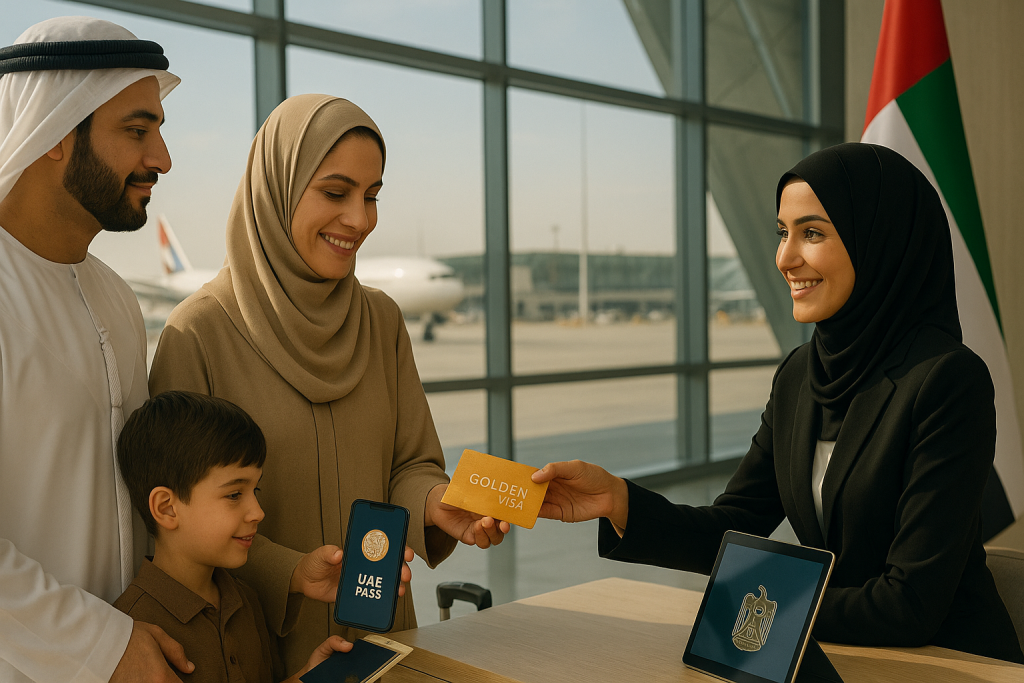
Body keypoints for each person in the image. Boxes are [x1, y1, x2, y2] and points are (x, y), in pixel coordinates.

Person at [532, 143, 1024, 663]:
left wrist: (756, 608)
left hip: (950, 663)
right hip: (833, 652)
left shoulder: (948, 380)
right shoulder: (799, 373)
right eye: (782, 232)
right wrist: (618, 501)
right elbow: (735, 524)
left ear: (878, 242)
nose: (785, 257)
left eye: (812, 233)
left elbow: (910, 603)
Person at [148, 93, 510, 673]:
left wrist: (438, 504)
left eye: (372, 197)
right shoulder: (199, 334)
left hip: (385, 639)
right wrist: (290, 572)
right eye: (336, 193)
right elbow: (175, 525)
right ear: (278, 189)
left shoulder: (382, 321)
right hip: (258, 647)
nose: (361, 219)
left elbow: (411, 462)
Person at [0, 16, 193, 682]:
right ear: (55, 133)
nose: (162, 158)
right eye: (137, 131)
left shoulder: (115, 297)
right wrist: (100, 644)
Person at [114, 390, 415, 682]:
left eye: (254, 490)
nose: (257, 511)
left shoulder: (245, 599)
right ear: (167, 508)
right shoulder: (128, 631)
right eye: (234, 494)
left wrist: (306, 677)